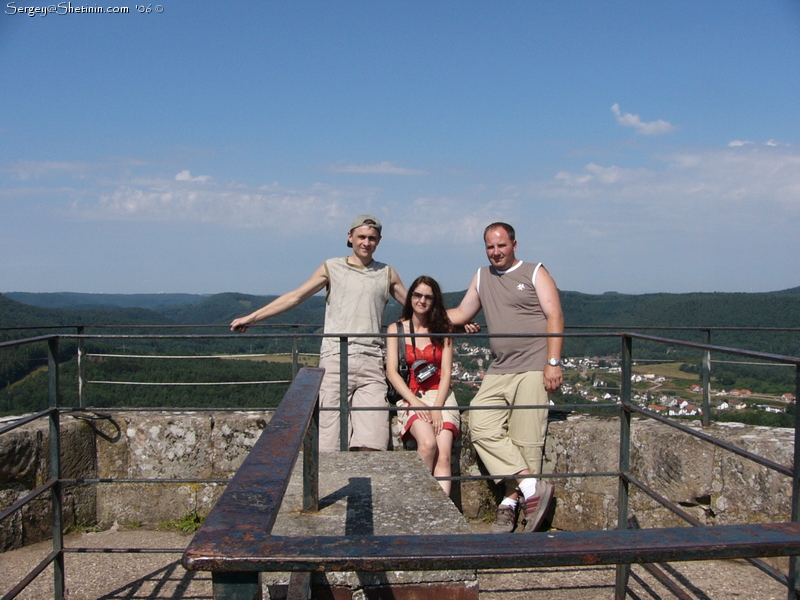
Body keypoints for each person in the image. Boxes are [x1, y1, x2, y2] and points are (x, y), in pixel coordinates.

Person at [231, 215, 406, 452]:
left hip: (371, 362)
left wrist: (457, 325)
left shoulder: (386, 273)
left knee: (373, 442)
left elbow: (418, 307)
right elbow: (296, 297)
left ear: (379, 240)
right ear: (350, 237)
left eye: (372, 238)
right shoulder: (331, 267)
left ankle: (365, 488)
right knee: (328, 443)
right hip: (334, 359)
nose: (366, 242)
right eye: (362, 237)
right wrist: (252, 318)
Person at [448, 222, 564, 533]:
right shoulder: (482, 276)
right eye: (490, 246)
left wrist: (553, 362)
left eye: (501, 245)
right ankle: (532, 489)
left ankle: (510, 504)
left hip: (532, 366)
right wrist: (417, 315)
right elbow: (461, 313)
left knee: (526, 439)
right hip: (499, 368)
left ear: (514, 244)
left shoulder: (535, 271)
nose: (496, 252)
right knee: (481, 424)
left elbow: (554, 315)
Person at [385, 276, 461, 497]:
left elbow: (446, 371)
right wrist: (414, 401)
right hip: (412, 395)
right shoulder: (396, 329)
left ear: (434, 301)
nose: (422, 301)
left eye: (428, 297)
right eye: (417, 295)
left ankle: (441, 512)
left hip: (441, 395)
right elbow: (391, 371)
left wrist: (437, 408)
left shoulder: (443, 328)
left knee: (444, 454)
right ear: (410, 298)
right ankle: (420, 502)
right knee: (428, 444)